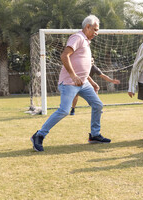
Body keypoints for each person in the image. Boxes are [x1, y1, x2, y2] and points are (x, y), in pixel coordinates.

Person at [31, 15, 111, 152]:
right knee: (64, 111)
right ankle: (39, 135)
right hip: (69, 83)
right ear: (87, 27)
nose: (96, 33)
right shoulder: (77, 37)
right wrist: (73, 76)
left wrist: (90, 78)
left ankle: (95, 135)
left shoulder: (86, 41)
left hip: (83, 83)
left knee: (97, 105)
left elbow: (81, 62)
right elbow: (64, 56)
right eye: (95, 29)